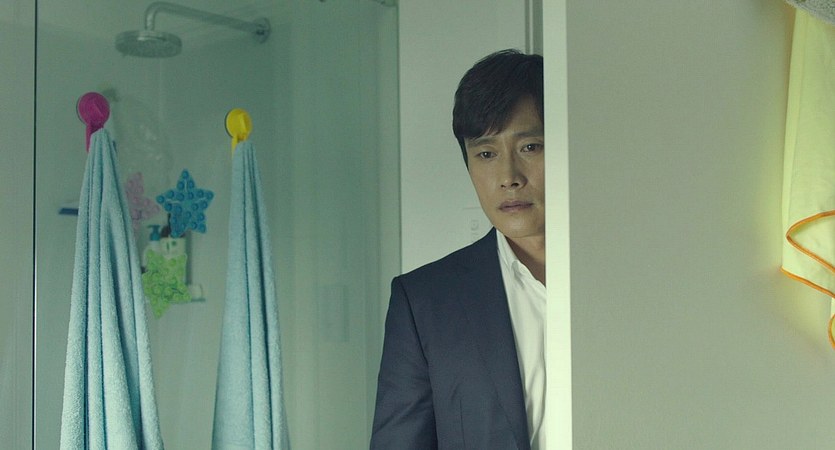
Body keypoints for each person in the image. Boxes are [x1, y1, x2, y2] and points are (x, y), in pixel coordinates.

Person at [370, 49, 545, 450]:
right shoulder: (426, 300)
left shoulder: (629, 278)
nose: (508, 177)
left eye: (530, 147)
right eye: (486, 154)